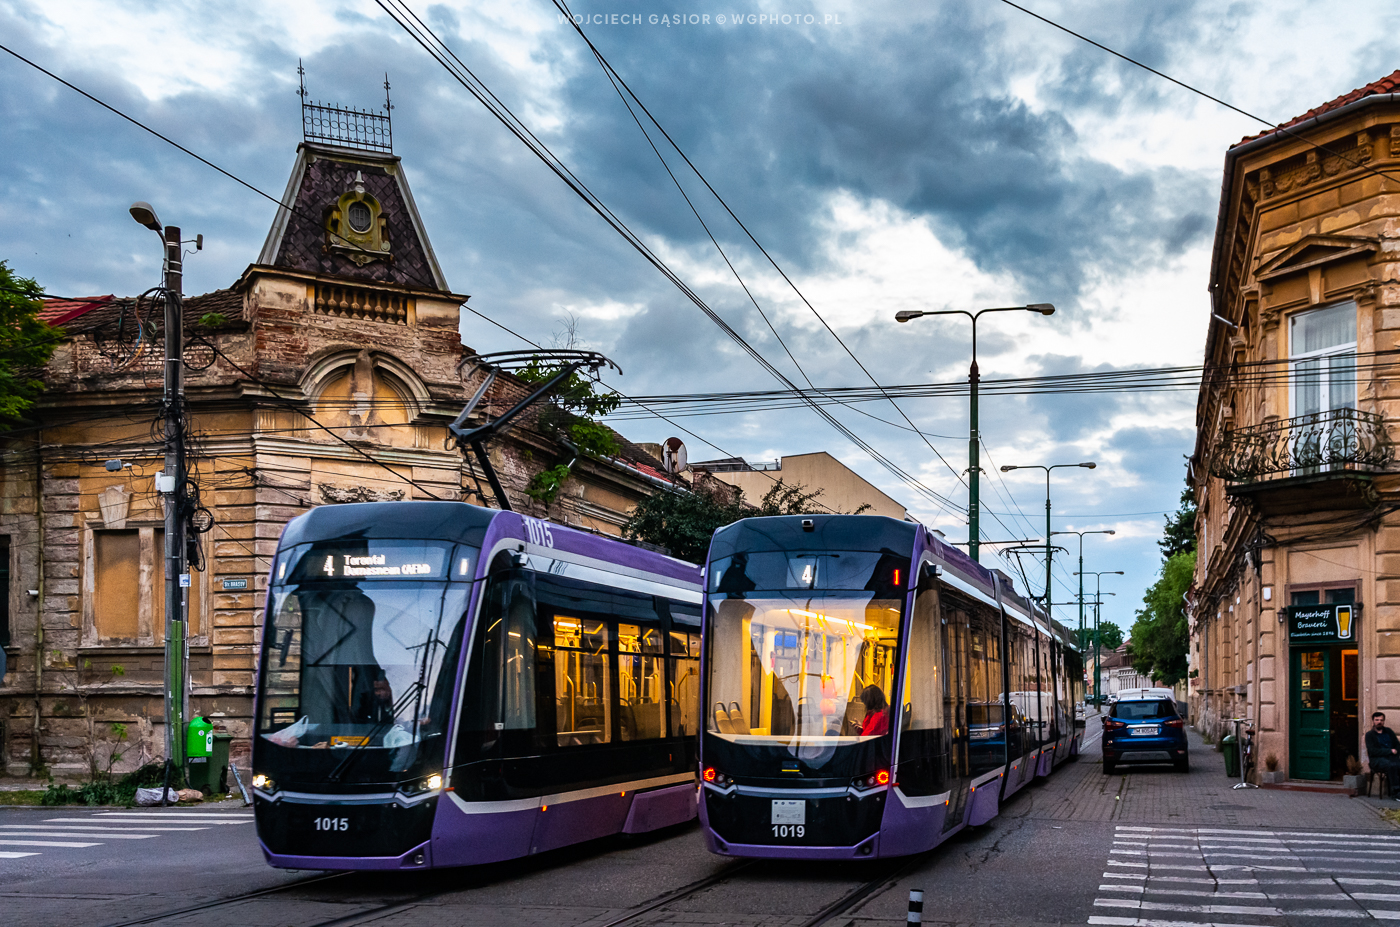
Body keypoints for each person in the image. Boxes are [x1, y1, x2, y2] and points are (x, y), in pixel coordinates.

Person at [1366, 711, 1400, 798]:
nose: (1379, 722)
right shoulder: (1369, 735)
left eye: (1381, 720)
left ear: (1384, 721)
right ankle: (1396, 792)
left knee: (1396, 764)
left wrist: (1396, 751)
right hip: (1376, 760)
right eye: (1377, 720)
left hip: (1391, 757)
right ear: (1373, 721)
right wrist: (1389, 751)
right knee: (1392, 765)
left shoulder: (1388, 731)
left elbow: (1397, 744)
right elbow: (1373, 751)